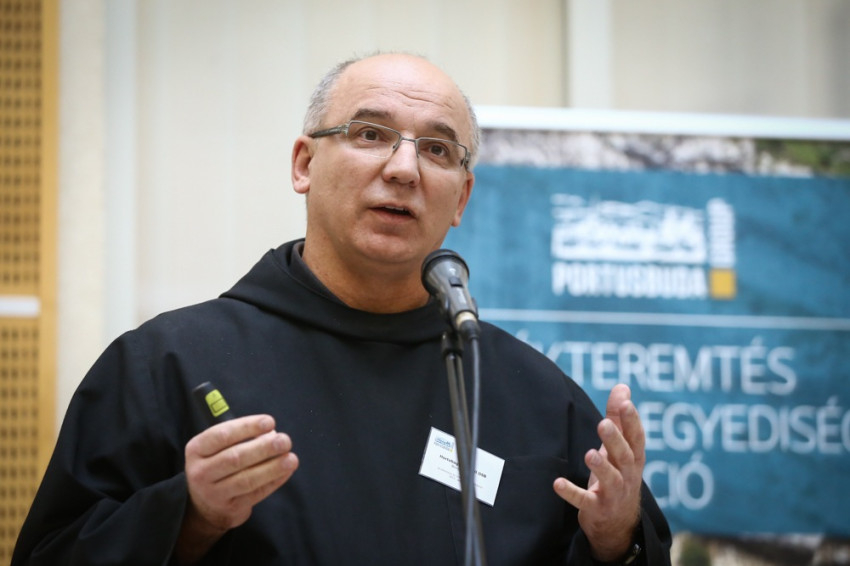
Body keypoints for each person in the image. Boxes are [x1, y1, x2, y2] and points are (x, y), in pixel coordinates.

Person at [12, 53, 672, 565]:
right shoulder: (169, 365)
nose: (405, 169)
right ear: (304, 164)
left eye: (437, 149)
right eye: (370, 133)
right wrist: (188, 516)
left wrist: (616, 540)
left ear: (462, 197)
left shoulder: (533, 396)